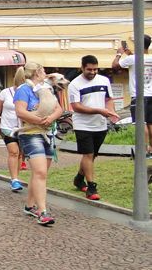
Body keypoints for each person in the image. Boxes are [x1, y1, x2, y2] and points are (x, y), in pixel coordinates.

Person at [14, 62, 63, 226]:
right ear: (37, 72)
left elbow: (58, 108)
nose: (46, 73)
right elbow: (21, 112)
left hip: (47, 133)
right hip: (30, 133)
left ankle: (29, 205)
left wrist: (50, 118)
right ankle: (43, 211)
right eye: (43, 71)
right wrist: (39, 120)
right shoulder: (23, 90)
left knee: (39, 173)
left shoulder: (45, 89)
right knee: (40, 172)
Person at [69, 55, 119, 201]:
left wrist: (110, 112)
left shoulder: (104, 80)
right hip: (83, 124)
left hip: (100, 124)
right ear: (82, 68)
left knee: (92, 155)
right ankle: (91, 187)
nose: (92, 72)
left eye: (95, 69)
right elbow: (76, 106)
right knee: (88, 154)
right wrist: (99, 110)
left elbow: (108, 99)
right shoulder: (75, 84)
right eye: (89, 69)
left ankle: (79, 178)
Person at [112, 34, 152, 158]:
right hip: (151, 95)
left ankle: (144, 150)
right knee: (150, 123)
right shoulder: (148, 58)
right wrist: (130, 54)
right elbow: (139, 62)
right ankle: (151, 150)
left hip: (139, 96)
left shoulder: (133, 59)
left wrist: (119, 54)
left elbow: (115, 66)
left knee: (141, 123)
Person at [0, 76, 24, 192]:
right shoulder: (5, 92)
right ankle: (14, 179)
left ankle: (16, 177)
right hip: (7, 127)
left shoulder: (27, 93)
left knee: (20, 154)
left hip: (22, 128)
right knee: (14, 152)